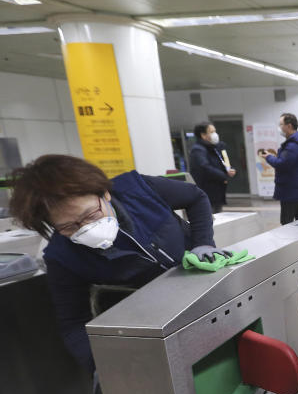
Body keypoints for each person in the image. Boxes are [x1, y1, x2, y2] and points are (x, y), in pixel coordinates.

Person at [8, 155, 231, 377]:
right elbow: (74, 323)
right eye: (67, 227)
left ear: (104, 193)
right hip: (158, 319)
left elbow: (196, 197)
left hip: (208, 288)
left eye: (90, 214)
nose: (85, 228)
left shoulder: (138, 189)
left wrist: (203, 243)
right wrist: (100, 369)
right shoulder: (62, 256)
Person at [258, 113, 298, 224]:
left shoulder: (292, 146)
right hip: (297, 189)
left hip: (290, 191)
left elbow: (282, 164)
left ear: (289, 126)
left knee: (287, 223)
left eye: (281, 124)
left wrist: (268, 157)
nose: (279, 127)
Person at [189, 122, 236, 213]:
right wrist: (223, 175)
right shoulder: (198, 150)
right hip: (207, 194)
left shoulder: (213, 148)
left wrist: (229, 169)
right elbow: (204, 167)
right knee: (210, 219)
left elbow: (221, 162)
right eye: (211, 132)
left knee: (218, 217)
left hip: (216, 194)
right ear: (203, 135)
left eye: (215, 131)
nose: (215, 134)